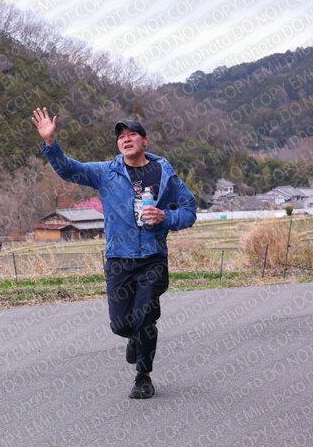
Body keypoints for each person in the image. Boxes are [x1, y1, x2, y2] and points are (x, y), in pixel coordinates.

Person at [31, 108, 197, 399]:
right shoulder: (106, 172)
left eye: (132, 134)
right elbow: (68, 169)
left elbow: (189, 210)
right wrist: (50, 142)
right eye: (121, 137)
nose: (126, 139)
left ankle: (143, 376)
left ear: (145, 140)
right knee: (121, 325)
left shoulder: (165, 175)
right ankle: (134, 336)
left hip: (153, 258)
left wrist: (166, 217)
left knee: (145, 318)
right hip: (119, 258)